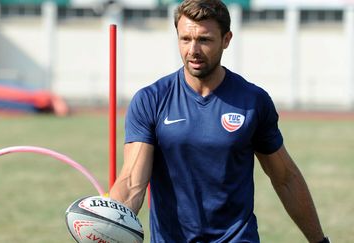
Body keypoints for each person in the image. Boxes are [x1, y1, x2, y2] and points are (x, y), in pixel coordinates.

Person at [109, 0, 329, 242]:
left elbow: (285, 177)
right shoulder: (151, 100)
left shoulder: (253, 101)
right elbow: (132, 182)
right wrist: (110, 224)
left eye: (204, 40)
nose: (193, 49)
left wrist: (319, 241)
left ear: (226, 39)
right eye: (185, 39)